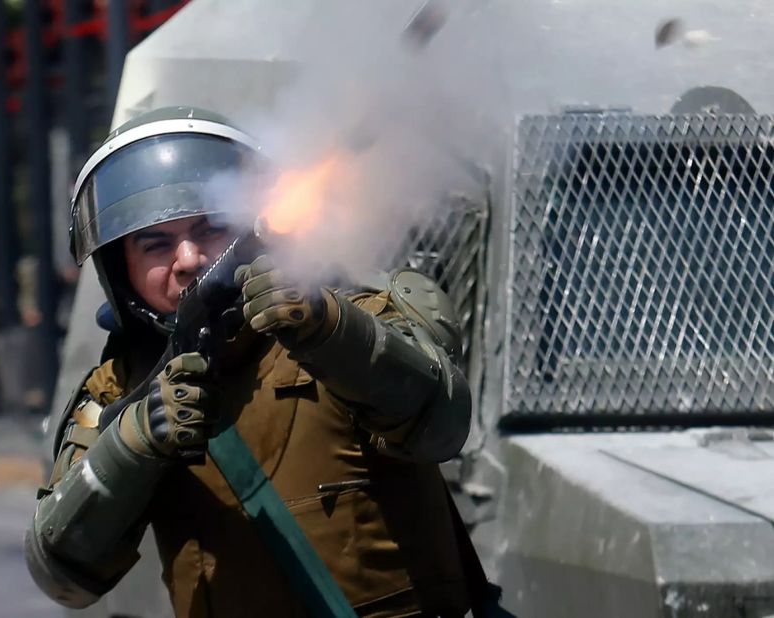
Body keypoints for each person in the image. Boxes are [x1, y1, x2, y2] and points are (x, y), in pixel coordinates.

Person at [25, 107, 501, 617]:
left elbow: (443, 425)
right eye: (156, 244)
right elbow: (63, 576)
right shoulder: (118, 388)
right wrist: (136, 442)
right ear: (122, 271)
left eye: (210, 228)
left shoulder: (357, 313)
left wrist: (329, 329)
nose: (188, 259)